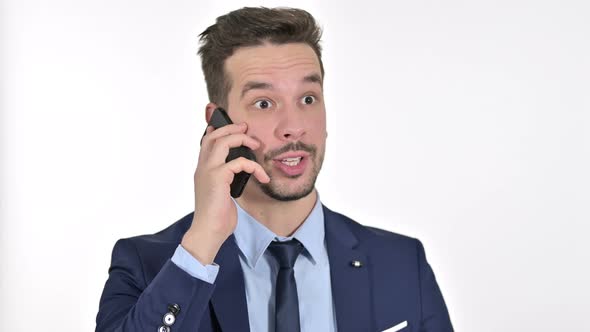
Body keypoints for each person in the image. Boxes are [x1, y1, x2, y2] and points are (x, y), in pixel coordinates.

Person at [95, 6, 453, 332]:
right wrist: (203, 241)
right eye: (264, 103)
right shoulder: (148, 264)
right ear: (219, 124)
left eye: (308, 99)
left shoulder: (403, 263)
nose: (294, 126)